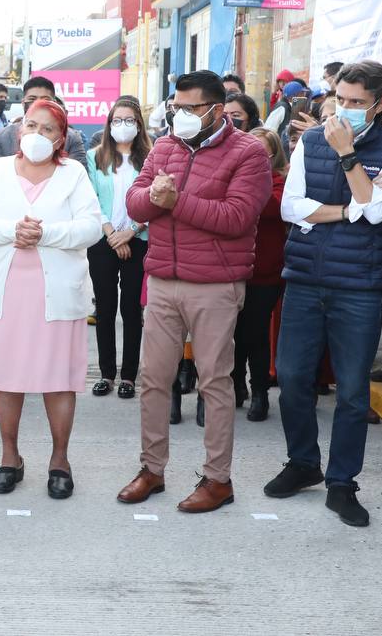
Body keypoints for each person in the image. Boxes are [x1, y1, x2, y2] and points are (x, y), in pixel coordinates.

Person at [115, 70, 271, 514]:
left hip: (216, 285)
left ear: (216, 110)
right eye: (175, 107)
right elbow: (135, 203)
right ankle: (152, 469)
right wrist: (155, 197)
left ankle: (218, 479)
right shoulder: (165, 146)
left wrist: (174, 201)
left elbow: (237, 217)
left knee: (214, 382)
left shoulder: (248, 152)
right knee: (153, 379)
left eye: (189, 108)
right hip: (163, 280)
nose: (179, 115)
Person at [266, 61, 382, 527]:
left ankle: (343, 482)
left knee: (351, 391)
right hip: (305, 277)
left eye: (356, 102)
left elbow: (378, 213)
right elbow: (291, 206)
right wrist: (351, 206)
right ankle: (303, 462)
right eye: (341, 99)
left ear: (380, 104)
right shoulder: (310, 141)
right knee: (292, 378)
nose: (343, 110)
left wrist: (348, 157)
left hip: (360, 286)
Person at [0, 99, 101, 499]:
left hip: (56, 291)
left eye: (47, 129)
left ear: (61, 139)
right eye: (30, 125)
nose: (37, 134)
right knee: (6, 377)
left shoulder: (73, 173)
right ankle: (10, 458)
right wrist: (13, 230)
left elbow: (91, 227)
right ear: (19, 129)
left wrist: (46, 234)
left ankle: (60, 461)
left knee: (58, 378)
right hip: (4, 288)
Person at [85, 97, 150, 400]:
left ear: (139, 124)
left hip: (138, 238)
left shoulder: (151, 157)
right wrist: (112, 234)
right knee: (106, 307)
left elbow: (153, 200)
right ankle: (107, 373)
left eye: (129, 120)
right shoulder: (94, 157)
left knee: (132, 309)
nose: (123, 125)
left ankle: (129, 376)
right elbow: (91, 200)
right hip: (104, 239)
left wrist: (130, 232)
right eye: (117, 120)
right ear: (109, 124)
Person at [233, 128, 288, 422]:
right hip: (232, 270)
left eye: (261, 152)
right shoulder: (234, 178)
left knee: (255, 334)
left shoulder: (279, 181)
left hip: (265, 272)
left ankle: (260, 392)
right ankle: (237, 385)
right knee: (233, 334)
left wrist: (252, 183)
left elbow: (271, 208)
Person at [0, 77, 88, 169]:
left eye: (45, 100)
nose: (38, 104)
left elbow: (78, 176)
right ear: (23, 103)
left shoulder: (71, 138)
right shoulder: (1, 137)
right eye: (32, 99)